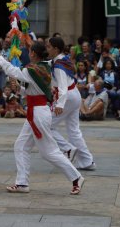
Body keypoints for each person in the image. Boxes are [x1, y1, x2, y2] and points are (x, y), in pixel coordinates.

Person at [0, 42, 84, 195]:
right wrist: (18, 89)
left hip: (38, 114)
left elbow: (12, 70)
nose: (28, 53)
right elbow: (31, 91)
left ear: (33, 53)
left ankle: (76, 177)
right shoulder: (42, 68)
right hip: (37, 112)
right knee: (20, 145)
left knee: (48, 152)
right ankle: (22, 183)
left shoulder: (33, 70)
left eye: (29, 51)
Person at [46, 37, 96, 171]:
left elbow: (62, 87)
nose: (47, 49)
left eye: (48, 47)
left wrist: (59, 105)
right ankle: (86, 161)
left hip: (66, 97)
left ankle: (68, 149)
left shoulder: (58, 66)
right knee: (74, 131)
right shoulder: (62, 59)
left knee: (46, 125)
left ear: (56, 49)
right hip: (74, 95)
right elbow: (48, 62)